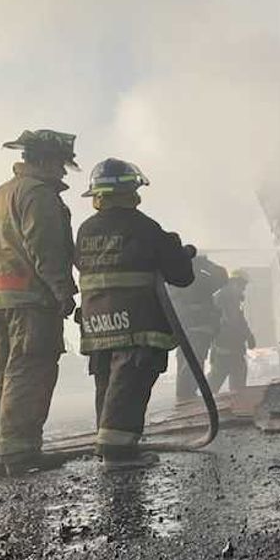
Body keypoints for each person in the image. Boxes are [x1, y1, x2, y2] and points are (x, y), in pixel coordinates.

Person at [74, 158, 195, 470]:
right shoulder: (144, 227)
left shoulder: (86, 230)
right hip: (137, 321)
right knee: (130, 381)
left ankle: (108, 443)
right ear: (129, 192)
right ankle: (118, 452)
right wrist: (177, 249)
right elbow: (181, 276)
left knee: (107, 382)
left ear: (98, 196)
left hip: (96, 322)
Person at [0, 129, 79, 476]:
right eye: (60, 164)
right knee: (30, 373)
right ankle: (19, 453)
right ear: (46, 161)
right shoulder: (38, 195)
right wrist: (62, 291)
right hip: (33, 302)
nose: (63, 171)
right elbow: (46, 248)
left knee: (4, 374)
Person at [171, 255, 229, 400]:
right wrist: (207, 264)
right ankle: (186, 395)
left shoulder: (175, 279)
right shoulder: (201, 279)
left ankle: (185, 395)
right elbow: (222, 277)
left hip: (185, 329)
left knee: (187, 363)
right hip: (197, 329)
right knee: (193, 363)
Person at [209, 268, 257, 393]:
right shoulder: (223, 298)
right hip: (225, 347)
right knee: (217, 382)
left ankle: (235, 400)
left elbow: (240, 320)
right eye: (243, 285)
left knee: (234, 383)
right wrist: (247, 336)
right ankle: (205, 402)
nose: (243, 289)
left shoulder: (232, 299)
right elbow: (229, 322)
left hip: (231, 347)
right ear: (235, 282)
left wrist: (248, 336)